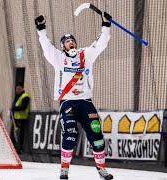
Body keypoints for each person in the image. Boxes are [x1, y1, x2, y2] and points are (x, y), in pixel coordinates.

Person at [35, 12, 113, 180]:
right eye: (67, 41)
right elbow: (46, 47)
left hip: (85, 102)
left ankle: (102, 170)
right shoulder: (58, 58)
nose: (70, 42)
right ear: (63, 46)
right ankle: (64, 170)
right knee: (70, 134)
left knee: (97, 136)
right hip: (68, 103)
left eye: (72, 40)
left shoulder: (86, 54)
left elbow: (100, 44)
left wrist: (106, 26)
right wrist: (41, 29)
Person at [10, 81, 30, 154]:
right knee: (14, 134)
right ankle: (14, 148)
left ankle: (19, 149)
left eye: (19, 88)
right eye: (16, 89)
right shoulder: (17, 96)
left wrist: (14, 108)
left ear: (22, 88)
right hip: (15, 118)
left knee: (20, 135)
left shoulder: (25, 96)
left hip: (21, 119)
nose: (17, 90)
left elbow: (23, 107)